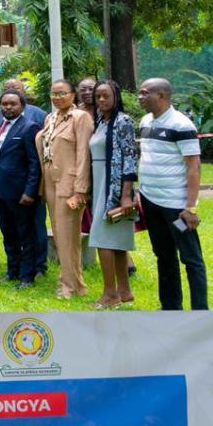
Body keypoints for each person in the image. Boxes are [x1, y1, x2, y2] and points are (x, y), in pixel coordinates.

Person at [137, 78, 206, 310]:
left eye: (145, 93)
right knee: (163, 255)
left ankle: (200, 311)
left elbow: (194, 167)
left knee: (190, 258)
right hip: (151, 202)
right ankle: (170, 307)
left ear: (162, 96)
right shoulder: (145, 121)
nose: (140, 97)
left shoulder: (181, 125)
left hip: (176, 206)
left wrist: (191, 207)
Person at [35, 79, 93, 299]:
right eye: (53, 93)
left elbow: (83, 156)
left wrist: (80, 189)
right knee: (60, 235)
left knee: (68, 236)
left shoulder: (80, 118)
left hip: (69, 185)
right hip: (50, 182)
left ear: (73, 94)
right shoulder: (51, 118)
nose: (57, 97)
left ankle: (70, 286)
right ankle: (71, 281)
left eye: (62, 93)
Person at [0, 90, 42, 287]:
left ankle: (27, 276)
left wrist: (30, 191)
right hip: (1, 191)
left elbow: (35, 163)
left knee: (25, 234)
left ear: (22, 106)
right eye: (5, 104)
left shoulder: (29, 127)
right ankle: (12, 270)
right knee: (8, 233)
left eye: (13, 104)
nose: (8, 107)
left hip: (21, 192)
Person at [89, 80, 137, 308]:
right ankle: (124, 291)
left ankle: (110, 293)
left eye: (105, 96)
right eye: (97, 96)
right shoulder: (100, 121)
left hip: (114, 187)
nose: (101, 100)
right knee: (115, 239)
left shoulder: (123, 121)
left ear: (116, 97)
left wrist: (126, 195)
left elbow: (130, 157)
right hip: (99, 182)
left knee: (102, 238)